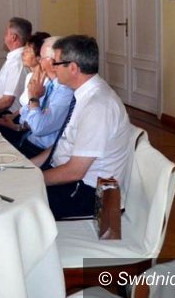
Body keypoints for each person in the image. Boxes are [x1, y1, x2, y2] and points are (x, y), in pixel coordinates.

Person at [30, 35, 133, 220]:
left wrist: (32, 179)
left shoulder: (98, 105)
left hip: (91, 194)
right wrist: (28, 167)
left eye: (56, 62)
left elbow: (75, 171)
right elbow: (61, 145)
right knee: (13, 191)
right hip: (72, 180)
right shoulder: (83, 95)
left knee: (20, 205)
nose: (52, 67)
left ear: (73, 68)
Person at [0, 36, 73, 158]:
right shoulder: (49, 84)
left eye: (42, 57)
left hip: (40, 150)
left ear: (52, 62)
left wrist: (34, 98)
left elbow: (38, 127)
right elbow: (25, 118)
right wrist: (34, 109)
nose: (39, 61)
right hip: (28, 140)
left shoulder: (65, 92)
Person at [0, 32, 51, 146]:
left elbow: (39, 119)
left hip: (29, 132)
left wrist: (14, 126)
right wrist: (11, 116)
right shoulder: (29, 76)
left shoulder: (47, 83)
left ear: (39, 57)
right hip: (19, 122)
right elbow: (26, 105)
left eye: (28, 51)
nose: (22, 53)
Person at [0, 17, 32, 135]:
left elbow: (7, 101)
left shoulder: (17, 62)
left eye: (6, 33)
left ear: (13, 37)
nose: (3, 36)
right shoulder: (12, 58)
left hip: (6, 116)